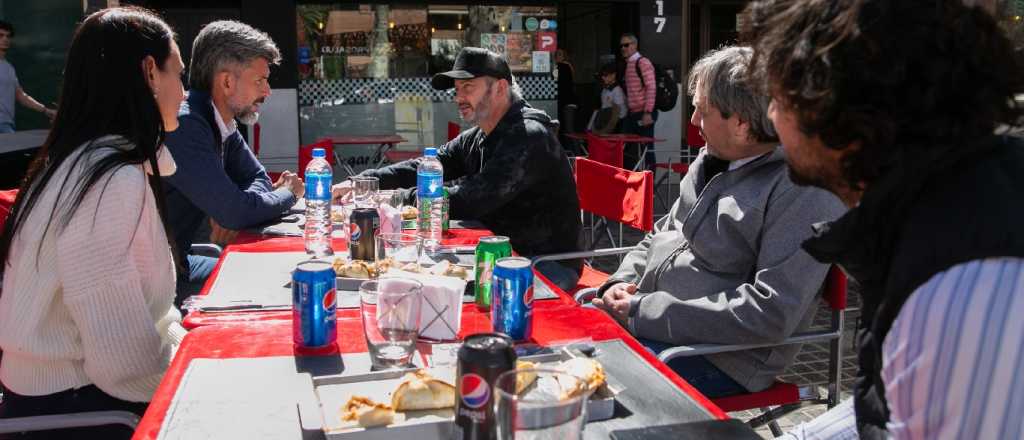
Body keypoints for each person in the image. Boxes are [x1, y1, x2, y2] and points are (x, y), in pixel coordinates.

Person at [742, 0, 1024, 438]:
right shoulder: (939, 206)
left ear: (841, 113)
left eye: (779, 101)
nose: (772, 118)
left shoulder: (961, 281)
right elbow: (894, 404)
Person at [591, 45, 846, 398]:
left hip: (722, 359)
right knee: (565, 351)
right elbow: (664, 232)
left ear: (741, 124)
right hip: (656, 324)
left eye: (701, 110)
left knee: (596, 389)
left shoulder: (805, 190)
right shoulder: (714, 157)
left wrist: (642, 311)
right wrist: (619, 282)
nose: (693, 122)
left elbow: (769, 313)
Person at [0, 7, 187, 439]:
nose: (184, 92)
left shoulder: (88, 162)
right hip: (76, 409)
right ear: (149, 73)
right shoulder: (108, 180)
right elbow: (124, 365)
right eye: (178, 74)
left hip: (74, 395)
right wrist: (193, 361)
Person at [332, 47, 583, 291]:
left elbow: (472, 199)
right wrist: (363, 182)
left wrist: (393, 198)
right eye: (457, 89)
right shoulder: (478, 135)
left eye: (468, 87)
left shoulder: (529, 136)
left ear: (500, 88)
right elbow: (424, 167)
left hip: (546, 265)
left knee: (431, 290)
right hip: (495, 252)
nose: (459, 97)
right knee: (413, 276)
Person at [163, 20, 304, 305]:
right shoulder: (188, 123)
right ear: (227, 82)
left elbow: (258, 179)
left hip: (179, 259)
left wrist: (240, 205)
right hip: (161, 278)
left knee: (265, 273)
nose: (267, 91)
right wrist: (289, 193)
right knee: (264, 284)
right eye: (259, 81)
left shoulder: (222, 122)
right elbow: (237, 212)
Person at [0, 20, 56, 133]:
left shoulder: (9, 68)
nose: (5, 39)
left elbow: (21, 96)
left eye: (8, 36)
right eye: (0, 35)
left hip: (7, 124)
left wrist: (46, 110)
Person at [618, 32, 657, 170]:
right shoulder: (628, 64)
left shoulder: (642, 62)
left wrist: (647, 112)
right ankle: (632, 182)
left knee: (647, 149)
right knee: (627, 149)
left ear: (634, 45)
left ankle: (650, 186)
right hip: (633, 113)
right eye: (621, 45)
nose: (623, 48)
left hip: (644, 112)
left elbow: (651, 87)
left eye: (626, 45)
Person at [588, 63, 625, 135]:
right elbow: (603, 108)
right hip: (606, 123)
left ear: (613, 75)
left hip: (617, 125)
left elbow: (619, 113)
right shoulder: (604, 90)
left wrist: (607, 129)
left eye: (605, 75)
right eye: (602, 76)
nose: (603, 78)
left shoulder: (617, 90)